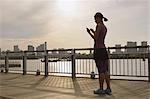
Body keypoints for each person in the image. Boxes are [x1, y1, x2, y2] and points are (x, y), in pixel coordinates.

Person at [86, 12, 112, 95]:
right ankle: (108, 88)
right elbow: (100, 37)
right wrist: (94, 31)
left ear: (99, 18)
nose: (94, 20)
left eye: (95, 18)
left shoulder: (99, 26)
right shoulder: (104, 27)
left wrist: (89, 33)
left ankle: (101, 89)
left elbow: (96, 38)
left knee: (101, 71)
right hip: (104, 50)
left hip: (98, 50)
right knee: (105, 71)